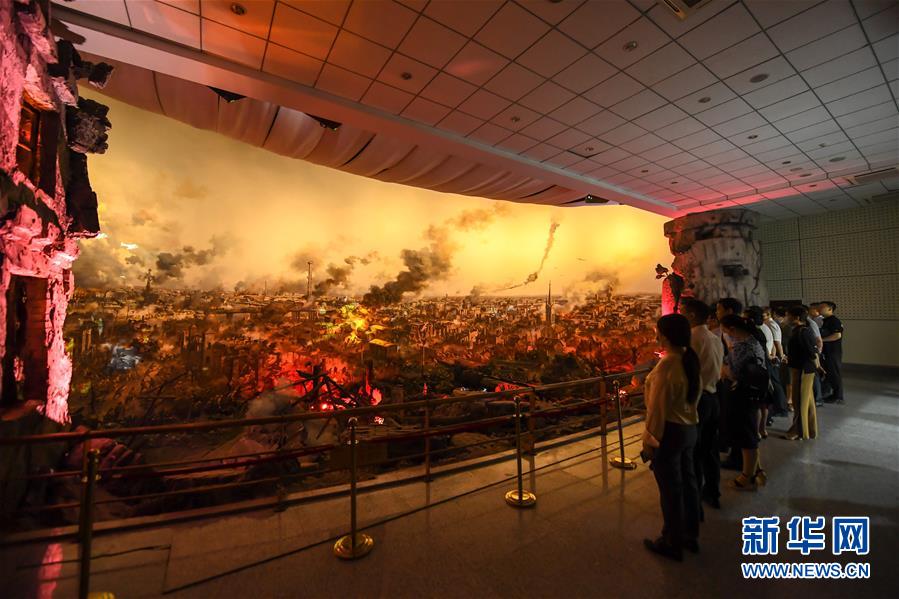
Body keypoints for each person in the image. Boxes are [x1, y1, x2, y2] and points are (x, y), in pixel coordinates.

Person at [642, 314, 702, 561]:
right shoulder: (690, 359)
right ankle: (690, 535)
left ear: (665, 336)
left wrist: (649, 440)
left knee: (671, 490)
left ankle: (671, 541)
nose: (655, 335)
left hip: (670, 432)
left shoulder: (668, 365)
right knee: (688, 483)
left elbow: (658, 409)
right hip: (689, 427)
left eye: (657, 331)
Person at [681, 298, 724, 510]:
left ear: (691, 315)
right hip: (713, 396)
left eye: (682, 312)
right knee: (710, 449)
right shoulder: (715, 338)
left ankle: (694, 497)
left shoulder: (691, 339)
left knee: (694, 451)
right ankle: (712, 492)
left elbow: (686, 374)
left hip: (698, 400)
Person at [719, 314, 767, 491]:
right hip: (752, 393)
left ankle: (747, 475)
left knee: (746, 435)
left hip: (742, 395)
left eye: (725, 330)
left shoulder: (742, 347)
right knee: (748, 432)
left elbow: (733, 373)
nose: (724, 333)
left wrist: (723, 367)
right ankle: (756, 469)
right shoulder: (753, 341)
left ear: (732, 329)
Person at [715, 298, 743, 470]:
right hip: (731, 378)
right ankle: (727, 445)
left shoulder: (734, 331)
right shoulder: (735, 329)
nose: (716, 313)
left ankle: (738, 457)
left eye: (719, 309)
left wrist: (727, 370)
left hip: (734, 381)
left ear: (729, 311)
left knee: (735, 418)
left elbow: (734, 356)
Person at [785, 306, 818, 440]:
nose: (787, 318)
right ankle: (810, 429)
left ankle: (798, 431)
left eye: (788, 315)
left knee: (799, 402)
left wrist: (816, 364)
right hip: (804, 368)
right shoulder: (802, 330)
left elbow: (811, 352)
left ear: (797, 318)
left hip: (802, 369)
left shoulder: (802, 332)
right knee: (807, 401)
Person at [763, 306, 789, 417]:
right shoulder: (767, 324)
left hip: (773, 357)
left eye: (763, 314)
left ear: (769, 314)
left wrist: (780, 356)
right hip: (772, 356)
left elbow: (777, 342)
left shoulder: (771, 324)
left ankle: (782, 409)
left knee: (775, 382)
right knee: (774, 382)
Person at [819, 301, 844, 404]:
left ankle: (838, 396)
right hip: (827, 352)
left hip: (833, 352)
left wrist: (821, 340)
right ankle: (828, 393)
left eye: (822, 307)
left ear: (830, 309)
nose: (820, 308)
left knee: (834, 374)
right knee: (829, 373)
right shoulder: (825, 320)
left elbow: (837, 335)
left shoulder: (834, 321)